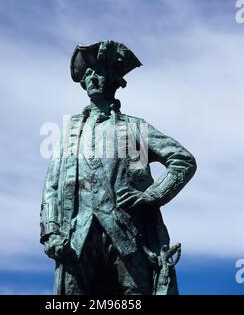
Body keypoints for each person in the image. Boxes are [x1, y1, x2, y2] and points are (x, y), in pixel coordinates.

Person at [40, 40, 197, 295]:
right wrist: (51, 233)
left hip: (128, 237)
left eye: (98, 72)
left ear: (115, 80)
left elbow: (183, 160)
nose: (91, 78)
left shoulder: (136, 128)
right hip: (77, 240)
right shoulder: (69, 134)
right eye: (87, 74)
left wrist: (152, 196)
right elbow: (52, 188)